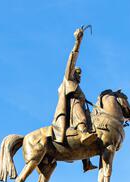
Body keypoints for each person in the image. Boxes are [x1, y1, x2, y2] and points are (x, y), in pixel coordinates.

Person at [52, 27, 97, 172]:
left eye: (80, 74)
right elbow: (71, 60)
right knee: (81, 113)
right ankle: (82, 133)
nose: (79, 76)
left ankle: (87, 161)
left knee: (91, 120)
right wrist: (78, 42)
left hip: (80, 107)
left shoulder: (78, 87)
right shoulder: (68, 78)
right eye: (78, 73)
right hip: (72, 110)